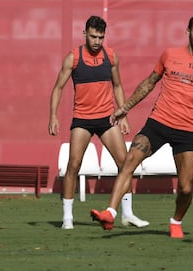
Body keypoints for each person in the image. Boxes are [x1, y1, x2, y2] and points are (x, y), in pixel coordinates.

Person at [90, 14, 193, 238]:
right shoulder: (170, 55)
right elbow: (149, 83)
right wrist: (125, 108)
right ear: (187, 32)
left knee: (186, 188)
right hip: (159, 122)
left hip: (187, 131)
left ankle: (176, 221)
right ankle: (110, 213)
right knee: (130, 159)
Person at [49, 15, 149, 229]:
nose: (96, 41)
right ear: (85, 33)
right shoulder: (73, 58)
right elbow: (58, 87)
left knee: (126, 164)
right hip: (82, 120)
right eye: (93, 36)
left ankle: (128, 214)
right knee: (73, 165)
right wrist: (53, 116)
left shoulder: (111, 56)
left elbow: (118, 86)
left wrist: (123, 115)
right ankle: (67, 218)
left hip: (107, 118)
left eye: (100, 37)